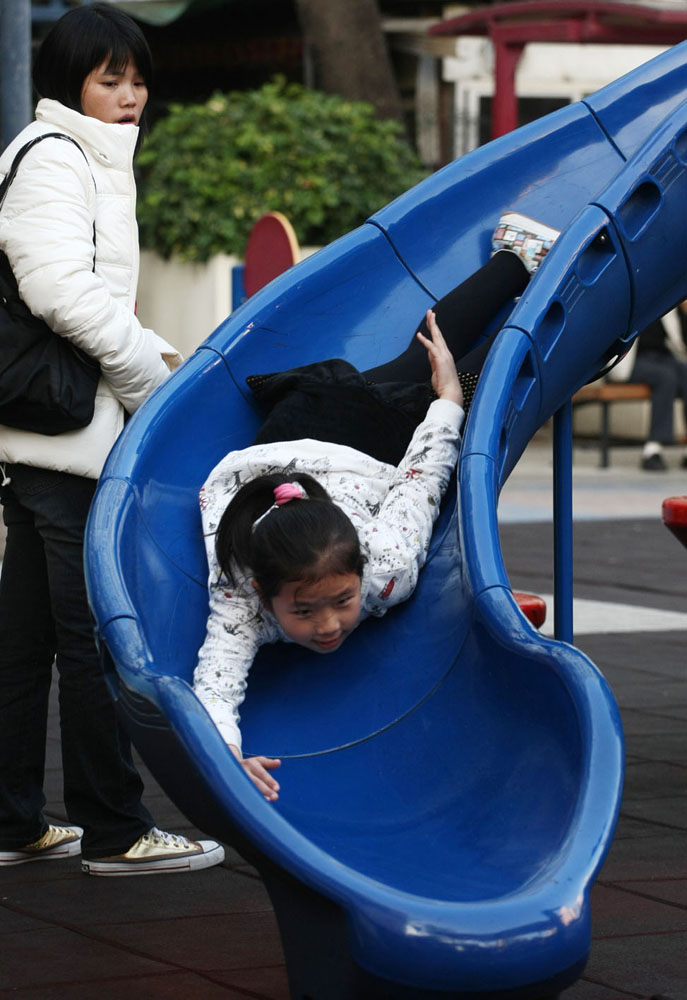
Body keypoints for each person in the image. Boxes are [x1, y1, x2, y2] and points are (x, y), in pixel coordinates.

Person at [193, 212, 559, 802]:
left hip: (352, 440)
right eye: (305, 610)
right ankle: (516, 260)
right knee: (412, 367)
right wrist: (226, 756)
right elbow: (215, 682)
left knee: (461, 383)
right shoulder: (243, 596)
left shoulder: (385, 568)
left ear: (360, 569)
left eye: (340, 601)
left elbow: (420, 482)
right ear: (263, 592)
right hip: (291, 432)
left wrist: (446, 405)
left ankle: (545, 290)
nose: (329, 624)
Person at [0, 4, 224, 875]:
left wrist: (147, 360)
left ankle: (14, 820)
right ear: (71, 82)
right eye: (110, 79)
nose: (130, 95)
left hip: (42, 435)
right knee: (96, 637)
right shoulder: (58, 158)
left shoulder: (79, 157)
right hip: (66, 440)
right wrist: (146, 378)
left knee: (25, 645)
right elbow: (61, 292)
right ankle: (115, 828)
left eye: (138, 80)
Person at [627, 302, 687, 471]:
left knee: (683, 372)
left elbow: (682, 342)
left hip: (664, 359)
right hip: (633, 362)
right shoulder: (632, 302)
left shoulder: (668, 303)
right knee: (666, 377)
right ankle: (652, 450)